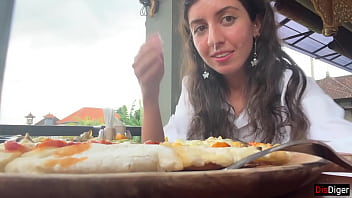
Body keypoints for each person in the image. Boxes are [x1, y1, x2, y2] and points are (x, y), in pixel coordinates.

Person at [132, 0, 352, 153]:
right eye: (200, 28)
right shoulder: (193, 89)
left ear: (256, 24)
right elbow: (159, 156)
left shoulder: (291, 86)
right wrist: (150, 96)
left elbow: (344, 147)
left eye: (227, 19)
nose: (213, 40)